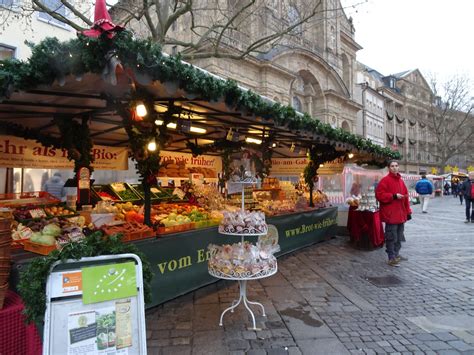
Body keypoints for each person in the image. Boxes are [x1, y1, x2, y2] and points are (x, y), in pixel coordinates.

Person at [375, 160, 412, 267]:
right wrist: (393, 196)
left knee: (399, 237)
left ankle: (396, 254)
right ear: (389, 168)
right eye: (392, 166)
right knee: (391, 237)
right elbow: (380, 195)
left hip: (400, 215)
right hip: (391, 215)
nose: (395, 168)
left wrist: (408, 212)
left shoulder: (401, 181)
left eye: (396, 166)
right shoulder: (385, 181)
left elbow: (405, 197)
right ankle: (391, 257)